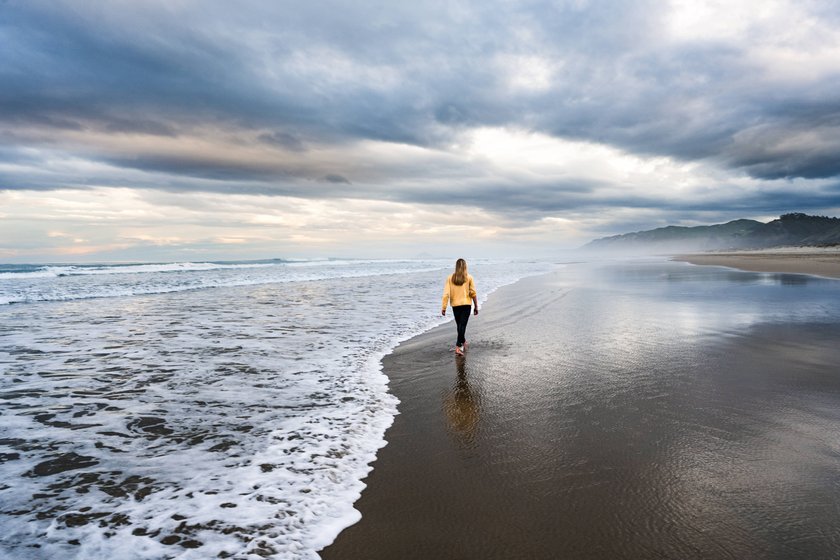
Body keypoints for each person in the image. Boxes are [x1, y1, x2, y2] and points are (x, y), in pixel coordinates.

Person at [441, 258, 478, 356]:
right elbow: (473, 293)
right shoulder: (469, 277)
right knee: (461, 326)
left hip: (455, 306)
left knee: (460, 326)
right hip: (466, 305)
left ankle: (463, 342)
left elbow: (446, 294)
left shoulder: (450, 278)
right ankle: (458, 346)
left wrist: (444, 307)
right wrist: (476, 306)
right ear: (465, 266)